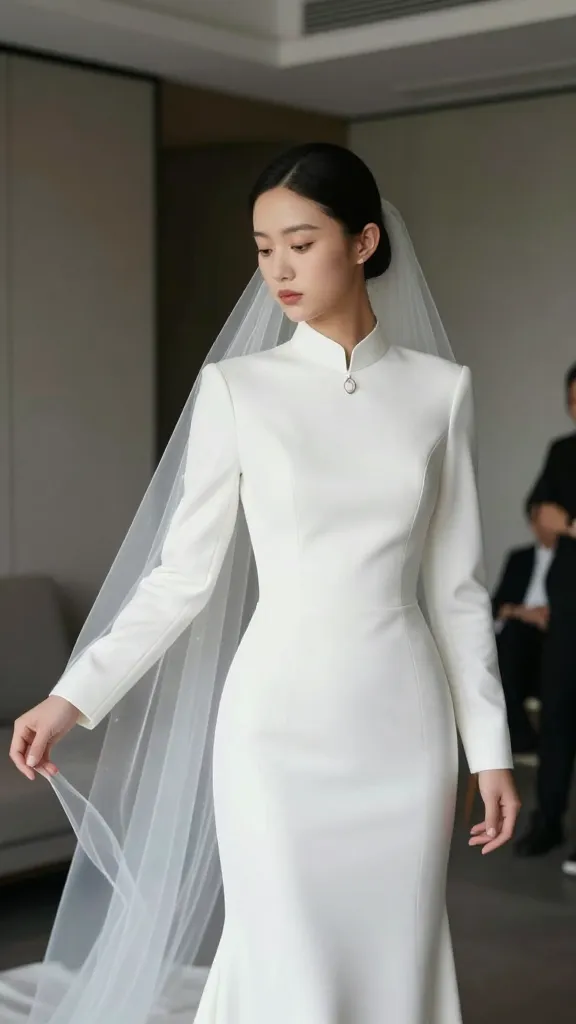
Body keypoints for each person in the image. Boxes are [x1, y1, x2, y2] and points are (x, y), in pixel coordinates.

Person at [8, 143, 519, 1024]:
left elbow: (459, 590)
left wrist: (493, 751)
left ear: (363, 242)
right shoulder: (238, 389)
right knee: (284, 949)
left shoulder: (442, 391)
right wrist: (72, 697)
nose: (278, 268)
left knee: (394, 951)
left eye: (301, 242)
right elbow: (180, 578)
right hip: (275, 728)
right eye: (262, 247)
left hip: (403, 726)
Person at [515, 363, 576, 872]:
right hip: (567, 603)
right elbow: (537, 511)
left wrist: (570, 522)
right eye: (573, 399)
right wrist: (552, 520)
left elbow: (559, 520)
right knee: (555, 716)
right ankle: (548, 819)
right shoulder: (562, 451)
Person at [492, 506, 556, 755]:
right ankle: (526, 738)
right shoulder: (520, 558)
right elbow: (497, 604)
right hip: (519, 635)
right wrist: (522, 613)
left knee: (506, 651)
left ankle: (524, 739)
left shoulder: (569, 561)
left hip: (552, 638)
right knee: (508, 639)